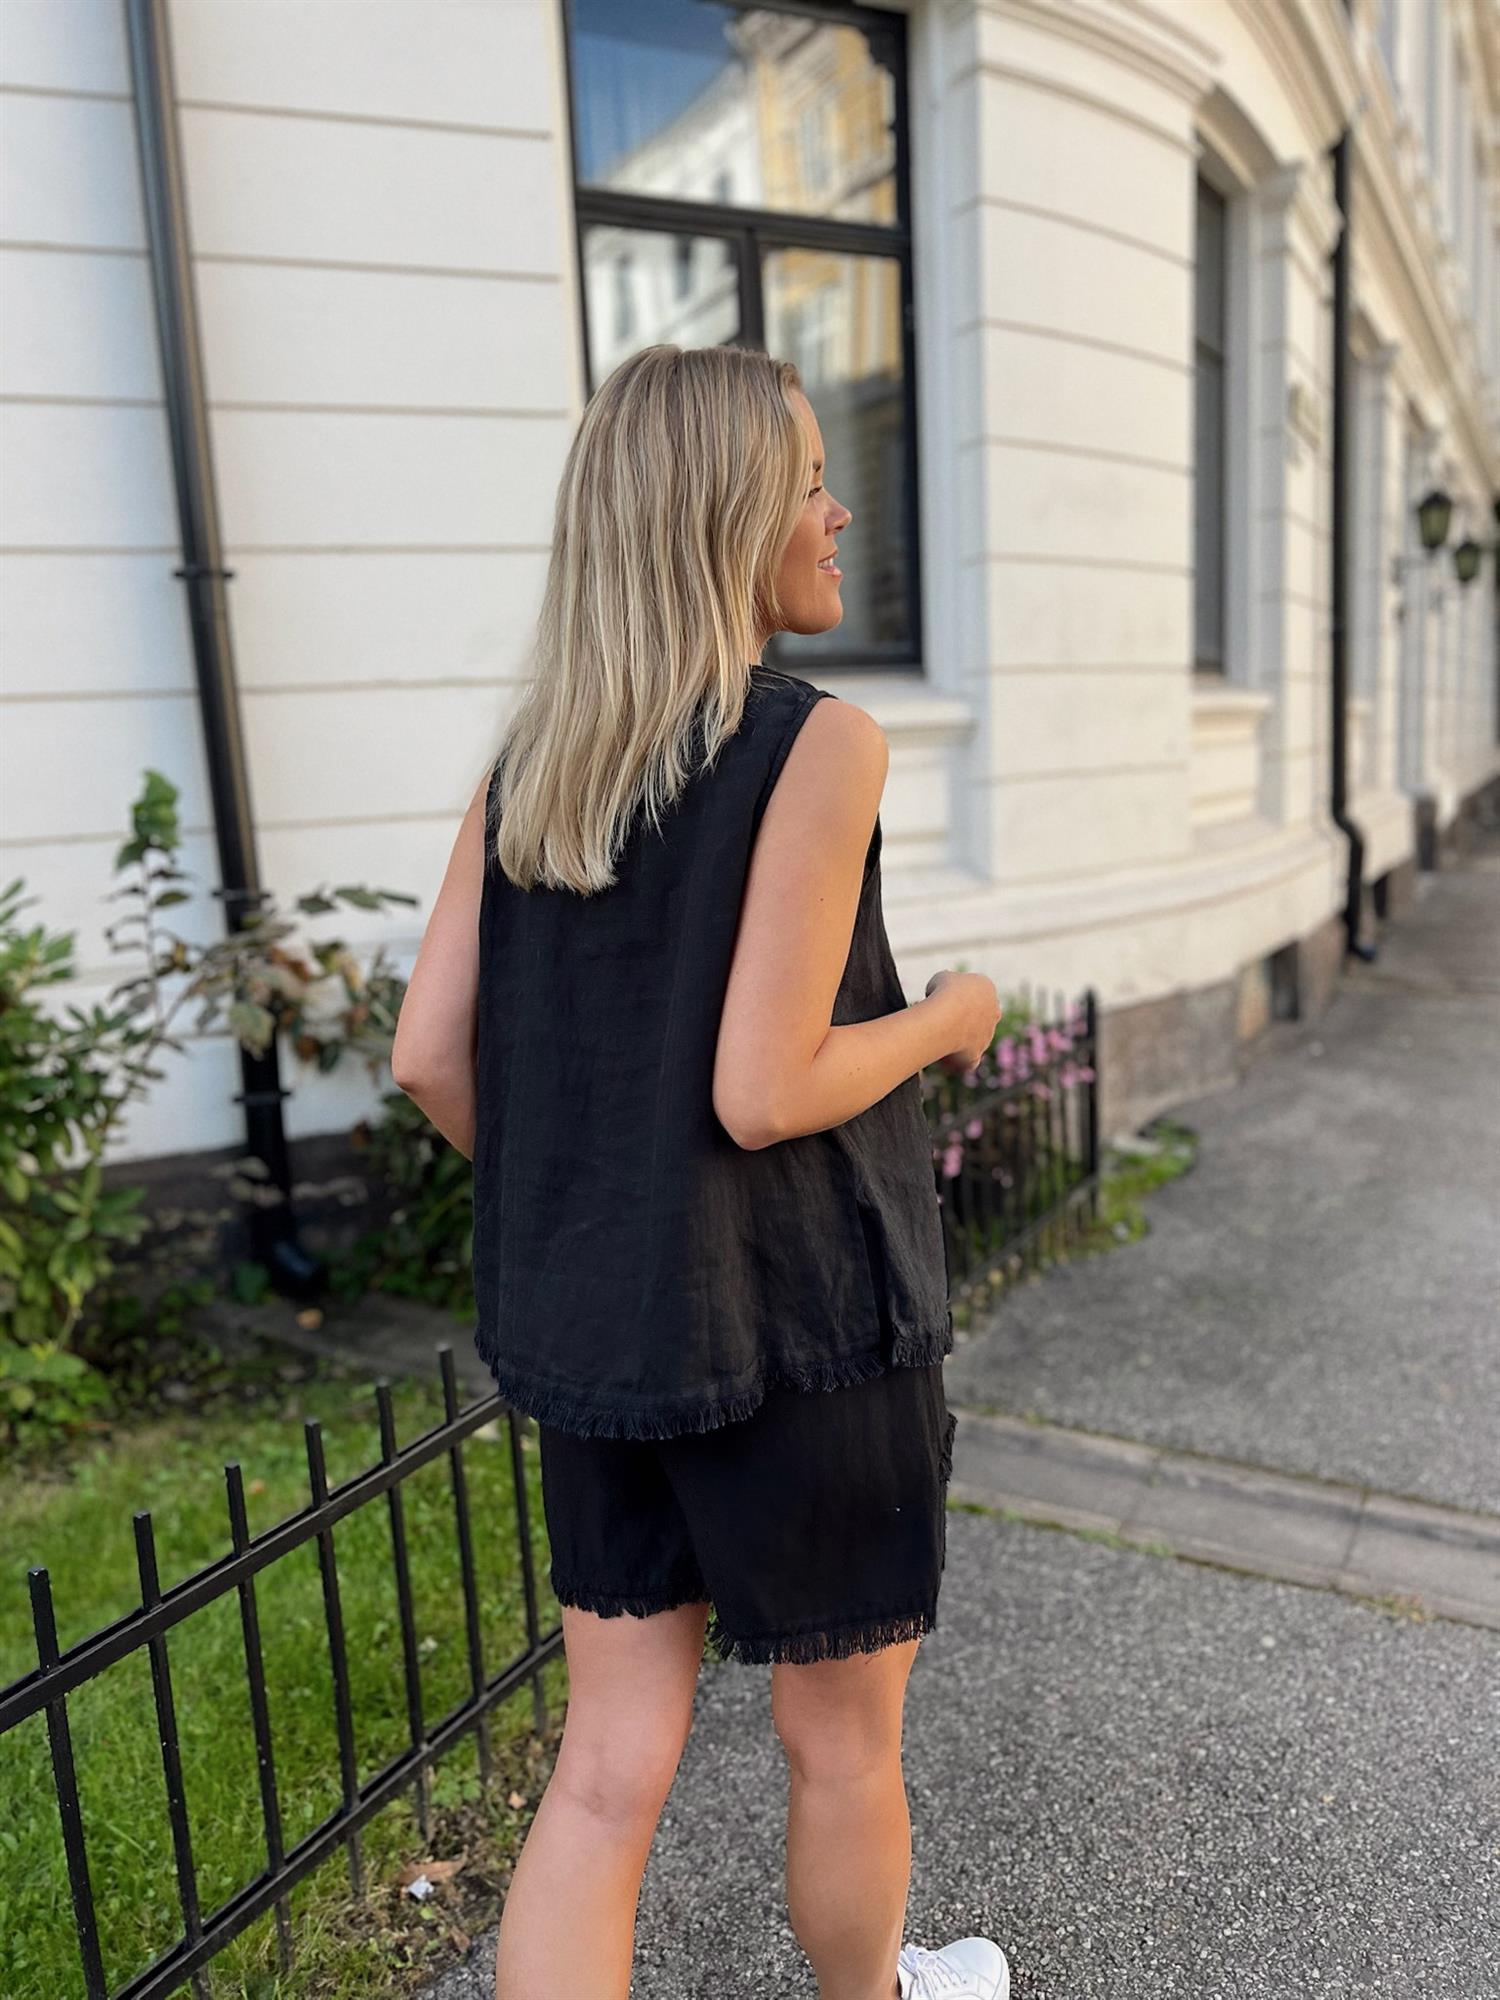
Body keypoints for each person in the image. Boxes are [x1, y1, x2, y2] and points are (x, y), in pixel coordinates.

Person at [392, 344, 1008, 2000]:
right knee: (842, 1745)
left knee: (605, 1773)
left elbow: (427, 1058)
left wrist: (597, 1210)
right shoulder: (817, 743)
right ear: (726, 516)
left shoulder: (533, 770)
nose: (838, 511)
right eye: (808, 481)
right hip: (803, 1325)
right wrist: (948, 1019)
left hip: (609, 1338)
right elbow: (766, 1087)